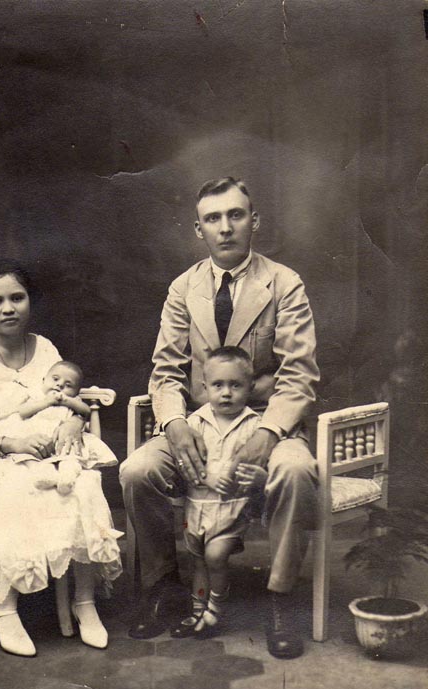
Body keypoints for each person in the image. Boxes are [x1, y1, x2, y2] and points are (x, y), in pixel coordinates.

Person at [120, 177, 319, 659]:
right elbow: (166, 371)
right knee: (137, 470)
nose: (225, 227)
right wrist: (175, 425)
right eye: (213, 218)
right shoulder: (183, 288)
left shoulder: (283, 283)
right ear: (198, 229)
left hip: (267, 423)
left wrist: (269, 432)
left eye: (235, 215)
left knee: (296, 469)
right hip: (200, 424)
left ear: (254, 221)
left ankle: (280, 599)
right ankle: (163, 586)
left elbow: (299, 374)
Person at [0, 260, 122, 657]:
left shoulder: (45, 348)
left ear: (30, 301)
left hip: (45, 451)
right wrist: (12, 444)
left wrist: (73, 421)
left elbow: (68, 398)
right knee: (18, 489)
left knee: (85, 484)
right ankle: (4, 610)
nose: (8, 308)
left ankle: (84, 602)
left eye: (17, 298)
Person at [171, 346, 267, 638]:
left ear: (250, 387)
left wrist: (258, 477)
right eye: (218, 385)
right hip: (197, 507)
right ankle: (197, 608)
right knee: (199, 562)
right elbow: (182, 463)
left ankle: (215, 608)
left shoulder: (255, 425)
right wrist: (206, 476)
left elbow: (264, 465)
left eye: (235, 385)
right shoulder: (194, 423)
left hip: (231, 509)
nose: (226, 393)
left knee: (215, 556)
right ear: (204, 387)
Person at [0, 359, 117, 494]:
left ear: (76, 392)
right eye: (55, 379)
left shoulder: (72, 400)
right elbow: (23, 412)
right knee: (26, 456)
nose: (60, 385)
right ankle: (45, 473)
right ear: (44, 380)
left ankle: (68, 476)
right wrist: (47, 402)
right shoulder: (36, 396)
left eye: (68, 385)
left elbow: (86, 411)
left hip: (60, 438)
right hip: (36, 435)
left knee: (70, 455)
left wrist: (68, 401)